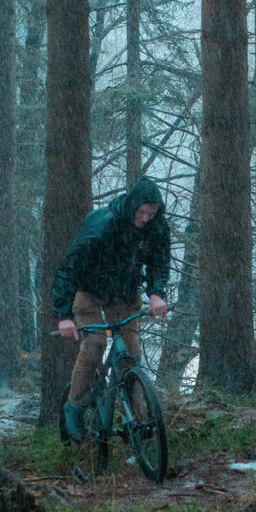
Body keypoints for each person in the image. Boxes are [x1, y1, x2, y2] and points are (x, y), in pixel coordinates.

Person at [53, 176, 171, 442]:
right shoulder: (102, 224)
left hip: (124, 294)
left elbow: (159, 263)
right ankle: (74, 407)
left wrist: (155, 294)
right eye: (141, 212)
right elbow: (68, 269)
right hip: (90, 292)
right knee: (94, 345)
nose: (145, 219)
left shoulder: (157, 228)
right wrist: (63, 316)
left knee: (131, 354)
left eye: (151, 214)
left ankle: (138, 420)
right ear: (131, 206)